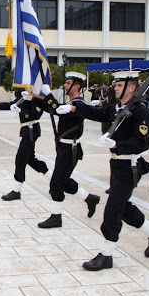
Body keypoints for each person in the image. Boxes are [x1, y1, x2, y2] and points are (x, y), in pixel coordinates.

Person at [60, 71, 149, 271]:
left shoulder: (139, 111)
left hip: (130, 166)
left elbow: (143, 142)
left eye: (119, 85)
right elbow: (98, 114)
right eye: (116, 85)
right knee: (123, 206)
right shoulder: (118, 108)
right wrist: (75, 107)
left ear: (132, 88)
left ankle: (106, 255)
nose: (115, 88)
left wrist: (117, 144)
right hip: (116, 164)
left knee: (112, 210)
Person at [36, 73, 101, 228]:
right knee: (63, 182)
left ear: (77, 86)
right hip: (64, 147)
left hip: (70, 150)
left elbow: (57, 109)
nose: (65, 85)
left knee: (56, 185)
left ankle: (56, 217)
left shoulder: (79, 105)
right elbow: (54, 109)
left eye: (68, 83)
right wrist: (37, 97)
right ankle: (89, 198)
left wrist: (49, 94)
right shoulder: (70, 103)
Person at [0, 91, 51, 201]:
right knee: (31, 160)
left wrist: (22, 110)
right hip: (27, 130)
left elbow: (35, 114)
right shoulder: (24, 96)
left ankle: (16, 190)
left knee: (20, 159)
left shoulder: (37, 98)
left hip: (32, 130)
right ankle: (55, 181)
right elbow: (12, 104)